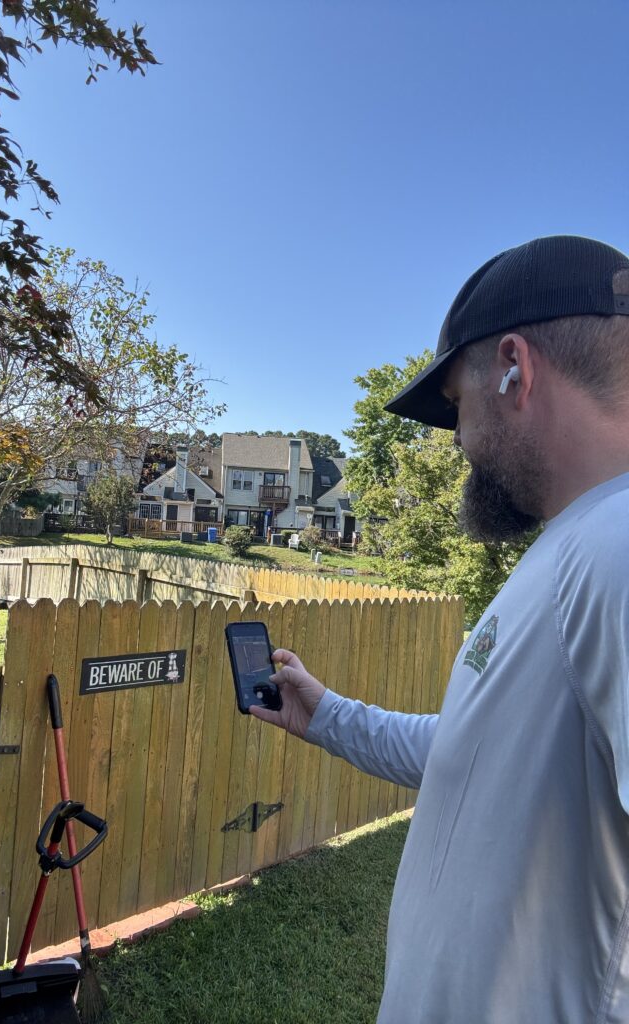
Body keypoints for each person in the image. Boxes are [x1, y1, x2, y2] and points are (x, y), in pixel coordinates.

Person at [250, 235, 629, 1024]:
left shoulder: (616, 543)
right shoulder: (574, 545)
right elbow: (479, 757)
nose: (456, 440)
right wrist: (329, 717)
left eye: (456, 406)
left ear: (514, 368)